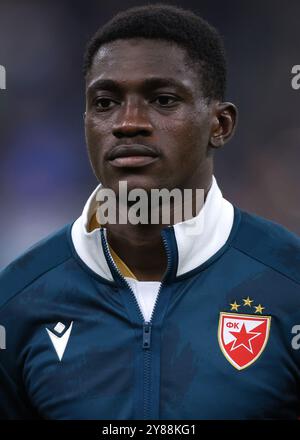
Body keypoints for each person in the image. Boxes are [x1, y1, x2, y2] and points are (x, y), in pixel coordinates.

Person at [0, 3, 299, 420]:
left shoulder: (290, 283)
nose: (129, 123)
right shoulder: (16, 299)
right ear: (85, 122)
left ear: (221, 125)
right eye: (105, 102)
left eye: (162, 99)